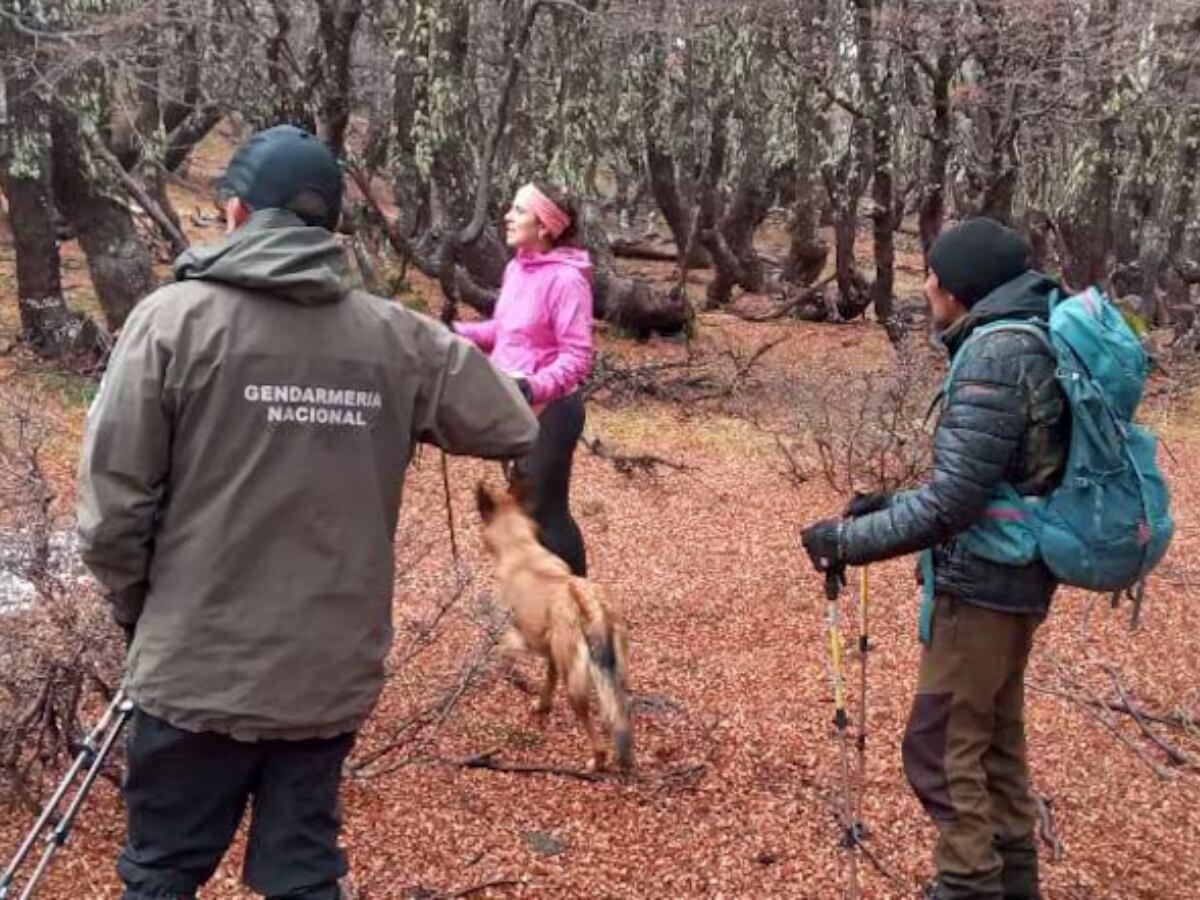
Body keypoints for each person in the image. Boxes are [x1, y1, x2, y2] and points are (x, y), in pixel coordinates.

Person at [76, 124, 538, 900]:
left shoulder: (171, 321)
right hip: (328, 673)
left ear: (234, 213)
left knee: (162, 872)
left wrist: (137, 609)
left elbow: (111, 512)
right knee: (301, 873)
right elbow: (512, 422)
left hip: (195, 664)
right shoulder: (396, 337)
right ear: (330, 230)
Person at [800, 218, 1070, 900]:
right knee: (993, 744)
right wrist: (889, 503)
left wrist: (846, 543)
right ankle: (1014, 886)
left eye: (933, 275)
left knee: (939, 746)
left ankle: (969, 886)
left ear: (959, 288)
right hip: (1017, 577)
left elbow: (953, 506)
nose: (925, 286)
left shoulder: (993, 355)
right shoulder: (1025, 339)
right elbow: (989, 481)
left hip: (983, 586)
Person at [452, 181, 594, 576]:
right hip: (517, 404)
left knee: (546, 512)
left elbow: (577, 357)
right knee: (526, 509)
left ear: (544, 226)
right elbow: (504, 331)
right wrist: (453, 333)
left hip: (553, 411)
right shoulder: (516, 268)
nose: (508, 217)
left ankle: (579, 602)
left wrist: (532, 387)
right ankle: (542, 598)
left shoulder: (567, 280)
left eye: (519, 210)